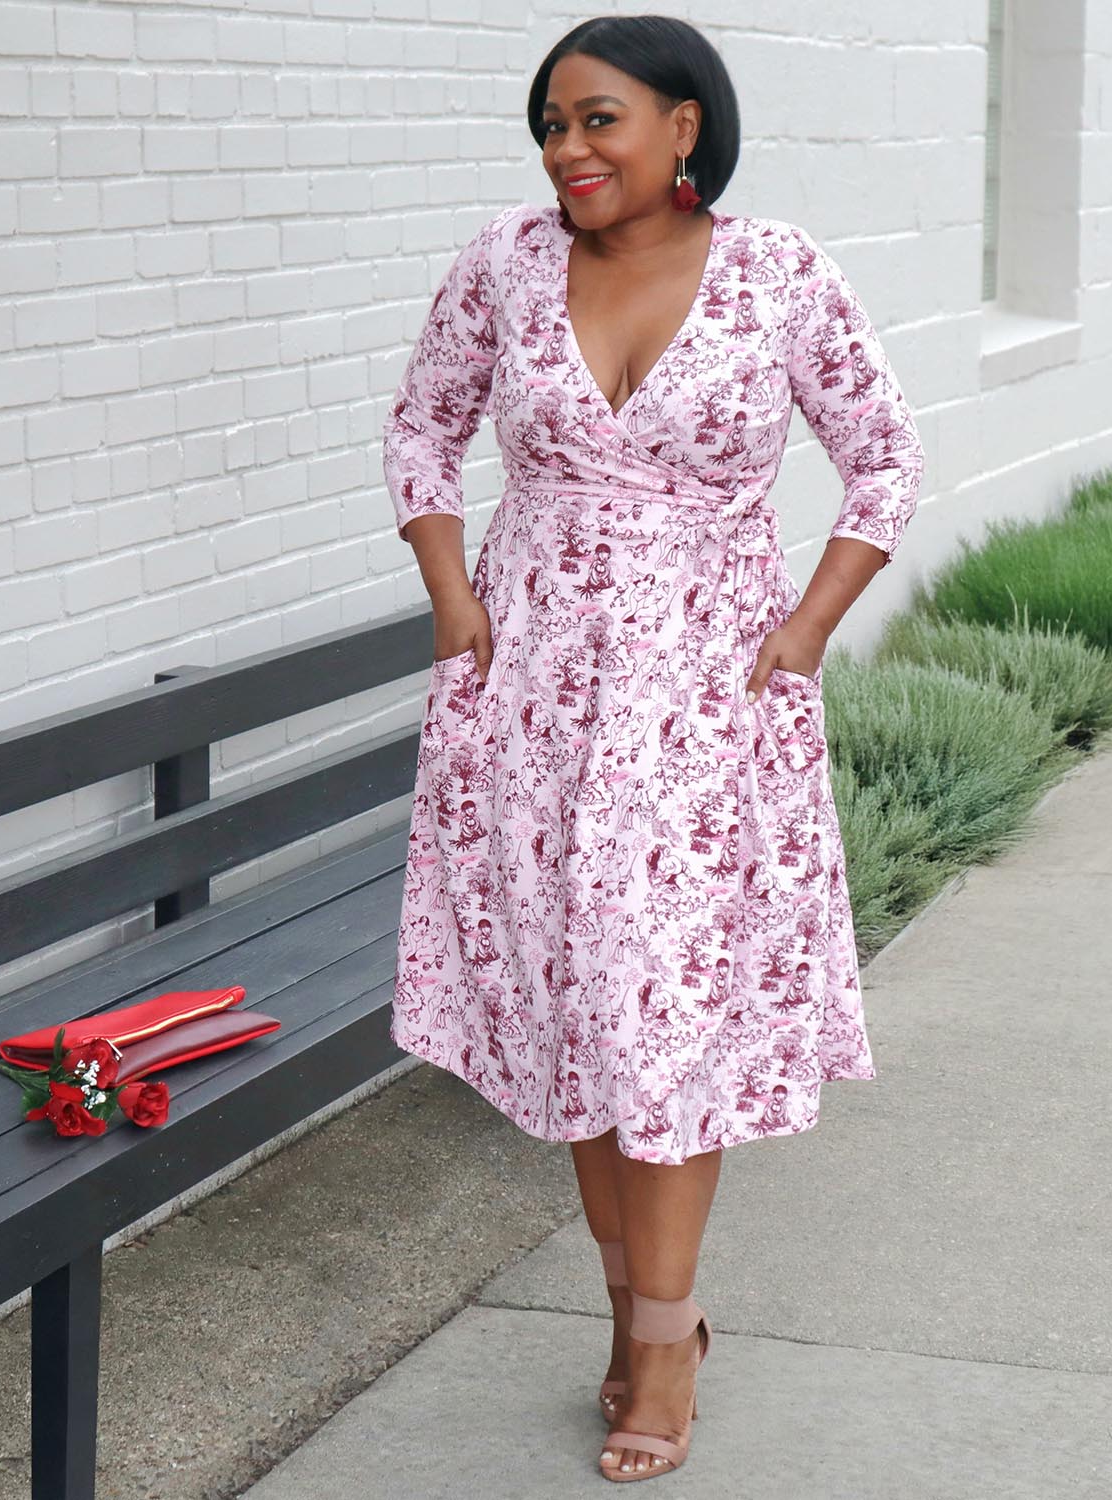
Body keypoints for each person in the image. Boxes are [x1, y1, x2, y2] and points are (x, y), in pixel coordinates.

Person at [381, 13, 924, 1484]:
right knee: (583, 1008)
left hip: (705, 702)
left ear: (685, 125)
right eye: (551, 126)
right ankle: (633, 1318)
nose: (568, 149)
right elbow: (423, 430)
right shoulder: (505, 264)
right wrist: (453, 599)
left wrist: (806, 629)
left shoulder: (780, 273)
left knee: (663, 1011)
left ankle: (665, 1341)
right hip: (533, 698)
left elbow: (886, 457)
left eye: (598, 119)